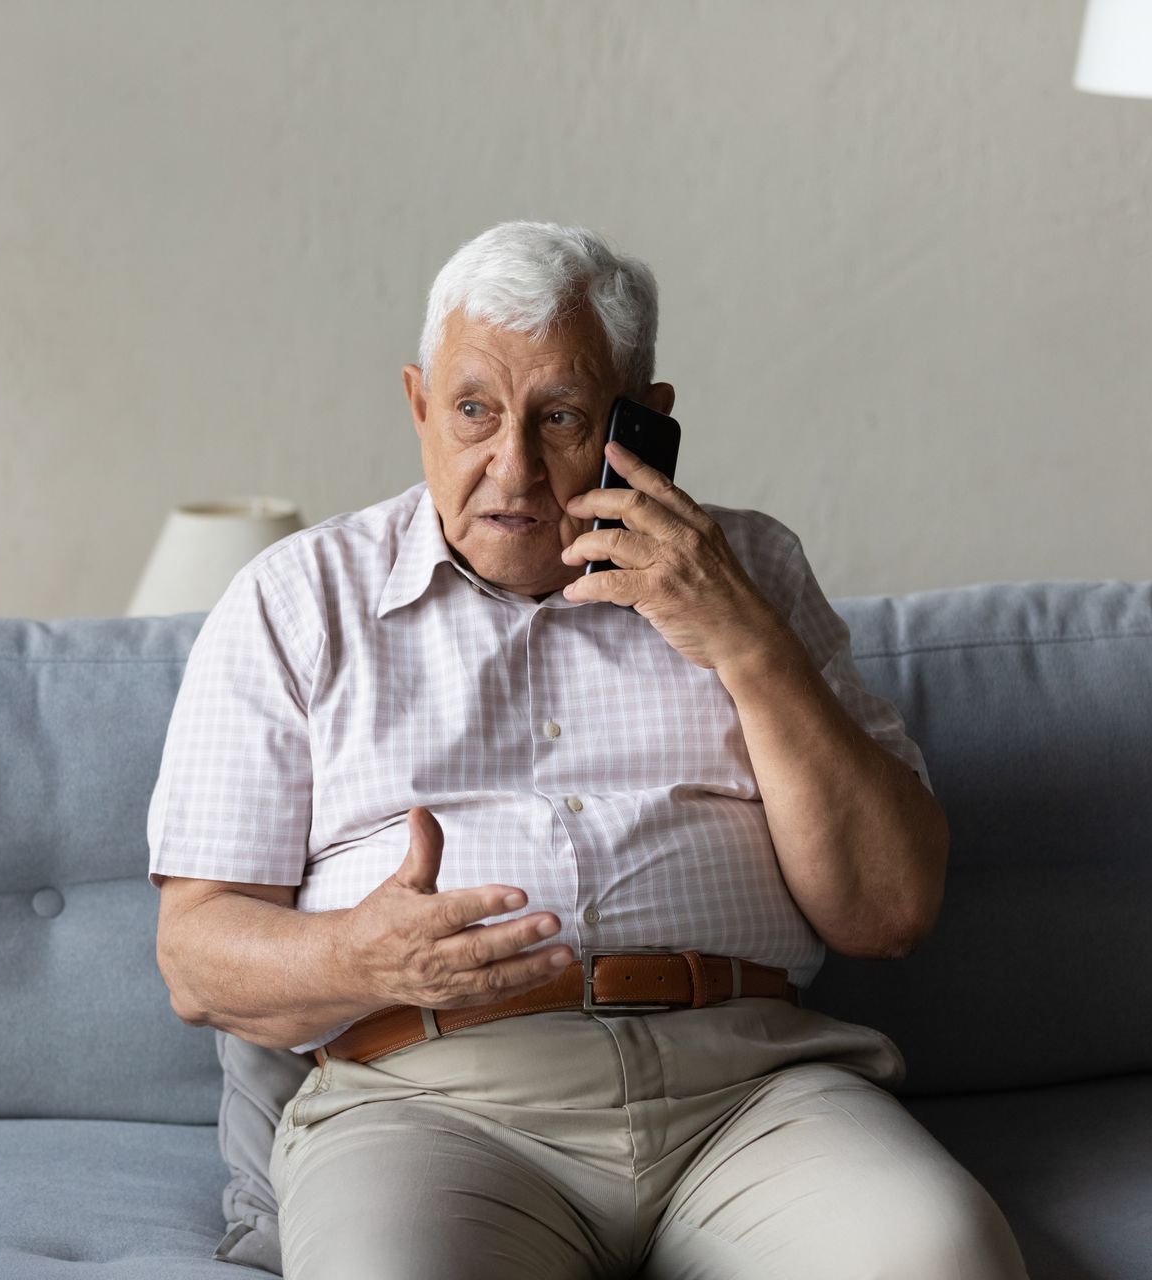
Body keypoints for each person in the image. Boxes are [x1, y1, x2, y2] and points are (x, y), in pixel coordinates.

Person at [149, 220, 1030, 1279]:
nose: (510, 466)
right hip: (434, 1102)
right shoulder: (296, 601)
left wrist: (747, 643)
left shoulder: (748, 568)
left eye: (559, 416)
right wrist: (359, 954)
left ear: (644, 423)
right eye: (473, 410)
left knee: (941, 1258)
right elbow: (194, 954)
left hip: (749, 1092)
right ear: (419, 405)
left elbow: (890, 909)